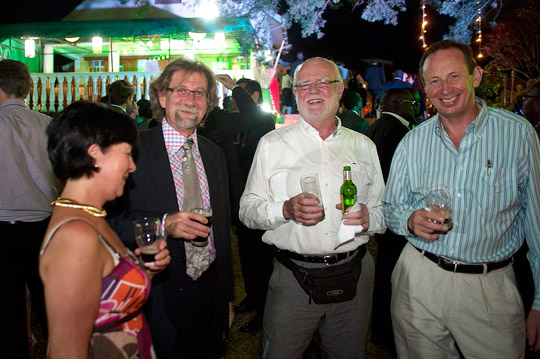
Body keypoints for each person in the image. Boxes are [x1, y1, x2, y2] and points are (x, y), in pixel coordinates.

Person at [383, 39, 540, 358]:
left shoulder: (518, 135)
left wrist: (539, 303)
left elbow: (537, 224)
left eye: (454, 76)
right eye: (434, 81)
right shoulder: (412, 142)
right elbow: (389, 208)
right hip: (420, 279)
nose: (445, 89)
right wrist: (410, 220)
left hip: (489, 287)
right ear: (425, 88)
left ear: (476, 76)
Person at [239, 57, 386, 358]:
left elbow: (384, 212)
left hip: (355, 274)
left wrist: (370, 217)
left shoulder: (363, 146)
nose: (313, 90)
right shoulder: (272, 144)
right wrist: (285, 210)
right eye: (304, 84)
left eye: (323, 82)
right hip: (293, 278)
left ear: (340, 88)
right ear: (295, 94)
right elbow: (247, 211)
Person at [108, 57, 234, 359]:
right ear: (162, 97)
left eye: (200, 93)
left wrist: (226, 297)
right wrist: (164, 224)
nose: (190, 100)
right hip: (155, 296)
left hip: (208, 292)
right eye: (181, 91)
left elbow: (224, 234)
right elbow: (106, 223)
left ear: (208, 102)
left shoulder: (214, 154)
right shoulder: (132, 148)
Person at [40, 100, 170, 358]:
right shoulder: (75, 236)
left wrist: (142, 271)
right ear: (94, 153)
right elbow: (66, 350)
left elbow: (101, 291)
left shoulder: (91, 217)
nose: (132, 166)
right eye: (127, 153)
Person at [0, 59, 58, 359]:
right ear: (28, 88)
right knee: (47, 298)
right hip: (43, 224)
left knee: (8, 304)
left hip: (4, 225)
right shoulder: (48, 124)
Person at [365, 88, 415, 351]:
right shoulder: (398, 132)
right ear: (396, 103)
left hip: (381, 210)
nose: (417, 106)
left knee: (386, 273)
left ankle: (381, 328)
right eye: (412, 101)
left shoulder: (376, 127)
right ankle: (388, 330)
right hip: (394, 212)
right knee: (394, 276)